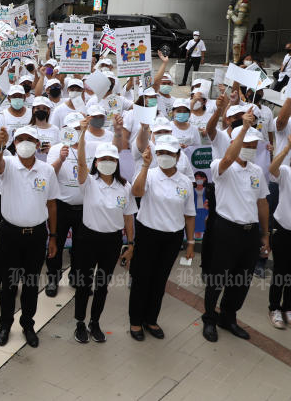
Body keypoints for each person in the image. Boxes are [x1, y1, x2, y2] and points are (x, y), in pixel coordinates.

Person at [201, 116, 270, 343]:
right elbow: (229, 157)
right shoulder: (221, 166)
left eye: (253, 146)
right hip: (226, 230)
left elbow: (262, 203)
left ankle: (229, 317)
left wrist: (265, 234)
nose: (249, 149)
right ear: (234, 144)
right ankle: (210, 319)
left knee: (241, 280)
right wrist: (245, 128)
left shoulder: (256, 171)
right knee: (217, 278)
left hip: (249, 233)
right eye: (245, 145)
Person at [0, 125, 59, 347]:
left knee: (31, 283)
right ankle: (4, 324)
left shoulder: (46, 170)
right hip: (10, 234)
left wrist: (53, 236)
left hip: (37, 235)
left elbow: (51, 204)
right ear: (14, 143)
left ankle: (28, 324)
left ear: (38, 145)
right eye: (20, 139)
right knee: (9, 283)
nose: (25, 143)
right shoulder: (8, 164)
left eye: (30, 139)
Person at [74, 125, 136, 344]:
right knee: (84, 283)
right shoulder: (89, 182)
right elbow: (80, 163)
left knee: (102, 285)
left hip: (112, 241)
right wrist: (81, 135)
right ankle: (80, 322)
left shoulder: (125, 186)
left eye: (112, 158)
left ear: (117, 162)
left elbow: (128, 217)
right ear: (96, 162)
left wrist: (131, 244)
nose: (107, 162)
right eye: (103, 159)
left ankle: (95, 322)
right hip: (87, 239)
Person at [129, 135, 195, 340]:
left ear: (177, 155)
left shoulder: (185, 181)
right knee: (141, 279)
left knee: (159, 280)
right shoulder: (149, 174)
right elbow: (136, 192)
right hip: (148, 234)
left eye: (169, 153)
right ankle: (135, 322)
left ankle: (151, 319)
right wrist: (145, 167)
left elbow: (189, 214)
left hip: (172, 238)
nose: (164, 157)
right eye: (161, 153)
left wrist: (190, 242)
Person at [44, 112, 89, 297]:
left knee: (81, 247)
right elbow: (48, 174)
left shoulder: (89, 147)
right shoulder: (56, 148)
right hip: (61, 206)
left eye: (79, 128)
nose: (75, 132)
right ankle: (53, 278)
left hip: (84, 208)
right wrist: (60, 159)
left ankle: (76, 276)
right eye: (72, 129)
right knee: (56, 242)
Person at [268, 134, 291, 328]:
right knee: (280, 270)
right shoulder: (286, 171)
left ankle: (288, 307)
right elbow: (272, 169)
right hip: (282, 228)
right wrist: (285, 149)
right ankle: (274, 307)